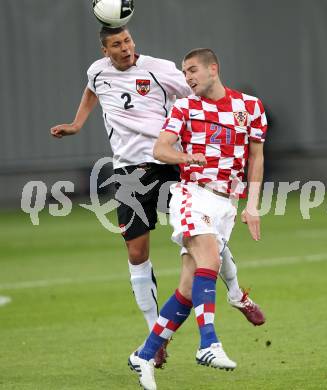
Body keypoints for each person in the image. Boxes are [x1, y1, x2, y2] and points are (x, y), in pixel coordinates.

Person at [50, 26, 263, 369]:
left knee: (204, 234)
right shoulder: (97, 71)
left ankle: (237, 294)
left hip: (168, 164)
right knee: (137, 252)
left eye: (128, 41)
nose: (126, 48)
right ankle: (156, 335)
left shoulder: (159, 68)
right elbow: (92, 91)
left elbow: (197, 93)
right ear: (106, 51)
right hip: (128, 174)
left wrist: (219, 123)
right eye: (117, 44)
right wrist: (77, 124)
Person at [128, 48, 268, 390]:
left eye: (192, 70)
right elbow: (161, 149)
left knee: (189, 289)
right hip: (193, 194)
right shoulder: (184, 107)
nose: (187, 77)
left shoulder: (250, 106)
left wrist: (252, 206)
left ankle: (143, 355)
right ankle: (209, 343)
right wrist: (185, 155)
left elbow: (256, 158)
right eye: (184, 72)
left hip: (226, 204)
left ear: (213, 69)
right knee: (210, 258)